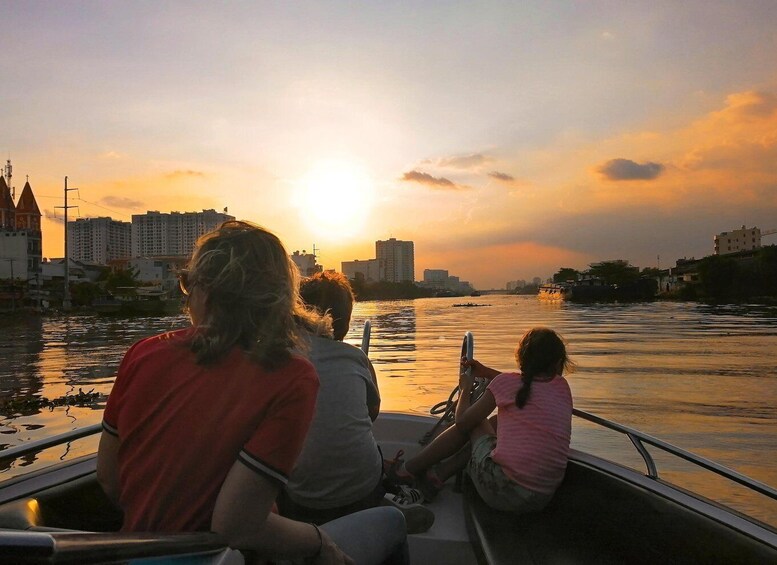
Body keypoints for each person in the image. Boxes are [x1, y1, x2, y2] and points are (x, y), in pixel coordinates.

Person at [97, 221, 407, 565]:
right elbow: (237, 526)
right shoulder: (291, 377)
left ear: (203, 291)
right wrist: (321, 543)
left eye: (188, 284)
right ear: (278, 299)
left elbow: (111, 480)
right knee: (392, 522)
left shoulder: (143, 353)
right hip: (227, 556)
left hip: (134, 553)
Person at [281, 271, 434, 534]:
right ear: (346, 321)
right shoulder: (355, 358)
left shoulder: (278, 359)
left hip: (301, 500)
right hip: (360, 491)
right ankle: (382, 508)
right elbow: (372, 412)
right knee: (366, 441)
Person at [388, 327, 574, 514]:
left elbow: (462, 422)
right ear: (558, 362)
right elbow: (521, 385)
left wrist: (465, 389)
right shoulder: (562, 387)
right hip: (542, 498)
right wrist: (485, 372)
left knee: (475, 421)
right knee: (495, 423)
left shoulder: (508, 384)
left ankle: (407, 470)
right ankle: (435, 477)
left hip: (500, 490)